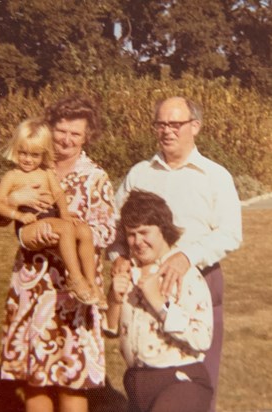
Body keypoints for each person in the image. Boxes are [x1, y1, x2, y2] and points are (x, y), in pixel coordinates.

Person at [108, 96, 242, 412]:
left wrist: (186, 257)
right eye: (161, 124)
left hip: (198, 279)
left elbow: (230, 233)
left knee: (195, 376)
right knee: (145, 367)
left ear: (194, 127)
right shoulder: (139, 173)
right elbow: (115, 230)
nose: (167, 131)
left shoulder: (214, 176)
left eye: (175, 124)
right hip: (144, 285)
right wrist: (120, 258)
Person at [0, 94, 117, 412]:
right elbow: (3, 215)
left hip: (73, 291)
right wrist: (24, 229)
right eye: (61, 130)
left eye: (75, 133)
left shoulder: (95, 178)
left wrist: (67, 231)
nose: (66, 139)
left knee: (71, 376)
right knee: (35, 376)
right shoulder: (31, 167)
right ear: (50, 129)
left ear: (86, 136)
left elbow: (106, 232)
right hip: (34, 285)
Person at [105, 189, 213, 412]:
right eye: (131, 234)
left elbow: (202, 338)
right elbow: (110, 330)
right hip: (136, 381)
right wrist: (114, 300)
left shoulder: (184, 274)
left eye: (145, 233)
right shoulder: (128, 272)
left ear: (163, 230)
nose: (138, 242)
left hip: (180, 379)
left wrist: (158, 301)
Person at [0, 116, 106, 307]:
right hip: (27, 227)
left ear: (43, 154)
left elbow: (59, 194)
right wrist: (18, 214)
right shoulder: (12, 176)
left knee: (83, 230)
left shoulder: (46, 173)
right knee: (66, 229)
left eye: (35, 155)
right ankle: (75, 278)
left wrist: (65, 213)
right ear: (15, 149)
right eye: (23, 153)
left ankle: (91, 282)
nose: (28, 159)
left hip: (50, 220)